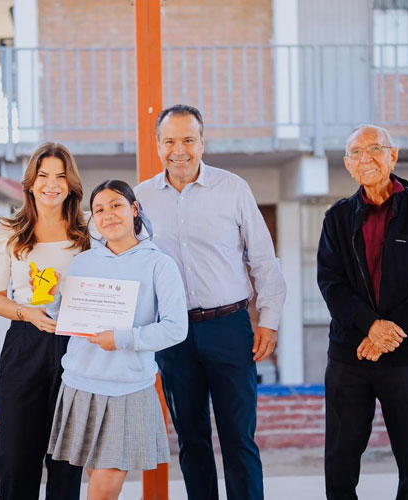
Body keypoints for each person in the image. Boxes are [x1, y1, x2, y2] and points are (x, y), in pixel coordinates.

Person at [134, 104, 286, 500]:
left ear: (202, 142)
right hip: (173, 334)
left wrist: (268, 319)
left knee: (239, 439)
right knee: (192, 441)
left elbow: (263, 257)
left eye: (188, 140)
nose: (178, 149)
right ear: (158, 145)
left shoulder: (232, 188)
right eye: (169, 141)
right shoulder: (140, 198)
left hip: (229, 327)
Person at [317, 124, 408, 500]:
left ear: (394, 155)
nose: (367, 158)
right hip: (350, 354)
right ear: (348, 165)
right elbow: (331, 283)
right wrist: (369, 327)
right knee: (341, 459)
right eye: (357, 153)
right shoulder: (337, 218)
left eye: (375, 149)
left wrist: (387, 335)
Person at [45, 180, 187, 500]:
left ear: (134, 210)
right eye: (99, 210)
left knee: (106, 486)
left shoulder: (159, 264)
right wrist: (53, 297)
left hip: (127, 388)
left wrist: (122, 339)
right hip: (80, 384)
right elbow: (66, 318)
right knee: (98, 477)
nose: (108, 214)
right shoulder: (83, 262)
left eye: (116, 205)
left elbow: (176, 328)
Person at [0, 142, 88, 500]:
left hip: (77, 345)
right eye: (43, 175)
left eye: (61, 176)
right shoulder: (7, 231)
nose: (52, 184)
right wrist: (25, 311)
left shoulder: (90, 230)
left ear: (71, 184)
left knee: (66, 457)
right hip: (25, 342)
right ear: (30, 182)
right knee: (14, 455)